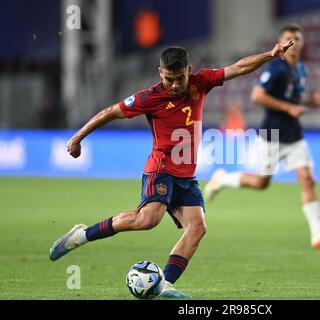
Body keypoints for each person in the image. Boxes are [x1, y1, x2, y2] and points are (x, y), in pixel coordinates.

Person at [48, 41, 294, 299]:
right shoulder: (149, 97)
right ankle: (81, 235)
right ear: (160, 73)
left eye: (179, 78)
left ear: (189, 70)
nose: (175, 85)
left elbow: (238, 68)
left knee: (197, 228)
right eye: (168, 79)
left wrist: (270, 54)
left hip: (187, 175)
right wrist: (78, 137)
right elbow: (111, 112)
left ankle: (164, 284)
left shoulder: (202, 82)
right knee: (148, 219)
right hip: (161, 168)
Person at [205, 24, 320, 250]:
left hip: (294, 135)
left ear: (302, 43)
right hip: (271, 134)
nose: (292, 43)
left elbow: (293, 98)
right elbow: (257, 96)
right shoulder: (276, 68)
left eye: (296, 38)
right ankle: (222, 180)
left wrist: (309, 102)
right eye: (288, 38)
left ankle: (317, 233)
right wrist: (288, 108)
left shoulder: (301, 70)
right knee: (261, 183)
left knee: (307, 179)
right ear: (281, 42)